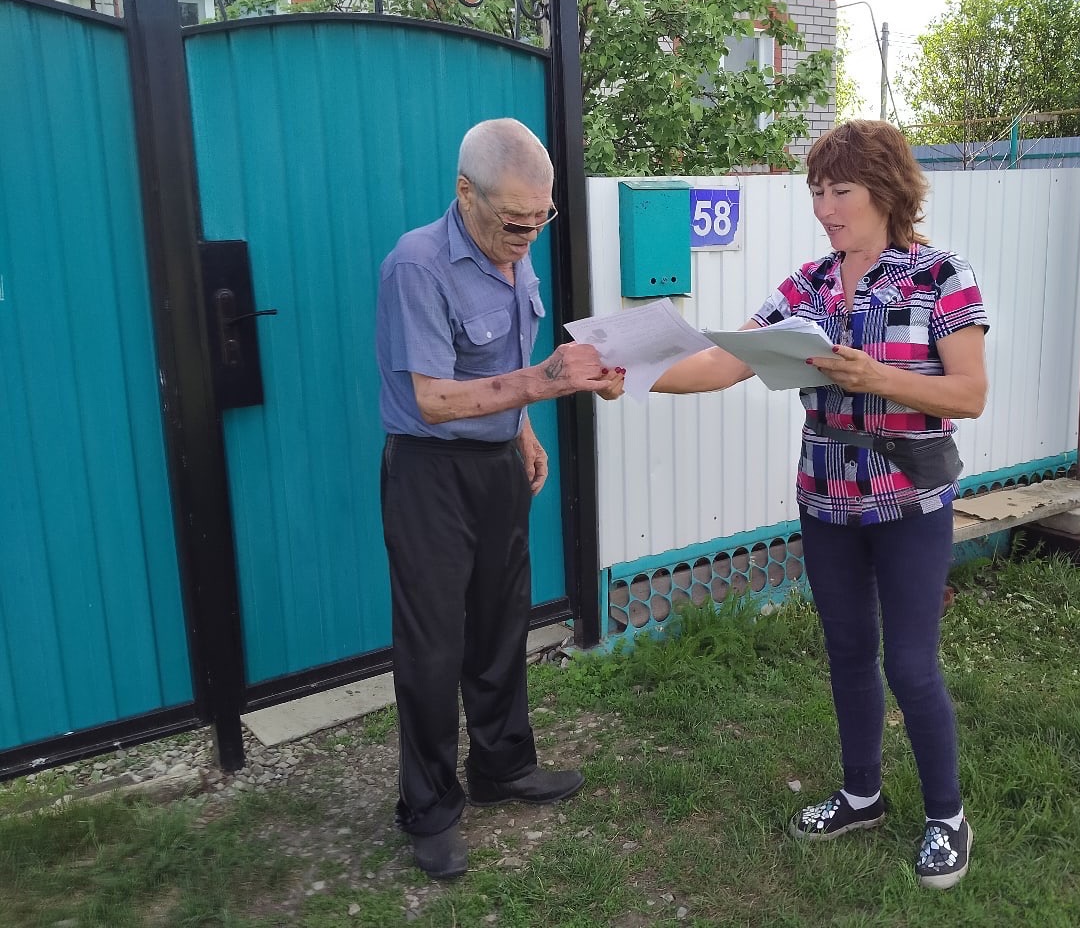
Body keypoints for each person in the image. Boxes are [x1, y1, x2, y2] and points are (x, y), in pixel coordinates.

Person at [652, 120, 989, 890]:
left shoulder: (940, 275)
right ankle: (861, 795)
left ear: (885, 190)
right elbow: (723, 361)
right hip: (826, 496)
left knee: (909, 664)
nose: (823, 207)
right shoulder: (806, 285)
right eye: (816, 191)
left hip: (909, 498)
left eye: (839, 190)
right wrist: (631, 376)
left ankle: (946, 816)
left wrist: (879, 379)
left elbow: (968, 394)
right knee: (846, 651)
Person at [376, 118, 624, 880]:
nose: (528, 236)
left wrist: (521, 433)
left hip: (496, 466)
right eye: (515, 221)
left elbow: (494, 359)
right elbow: (433, 400)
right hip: (430, 473)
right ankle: (428, 808)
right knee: (433, 646)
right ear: (465, 193)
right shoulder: (416, 265)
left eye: (540, 219)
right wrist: (545, 383)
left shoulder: (515, 252)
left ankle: (501, 766)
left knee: (500, 623)